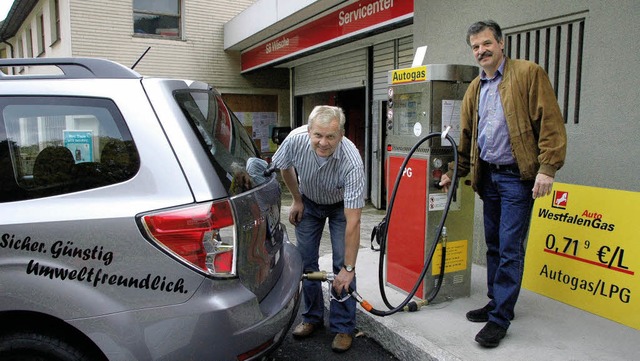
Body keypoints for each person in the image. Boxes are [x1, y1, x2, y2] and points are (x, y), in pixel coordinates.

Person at [439, 20, 567, 348]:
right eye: (475, 47)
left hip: (517, 177)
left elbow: (550, 121)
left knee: (510, 247)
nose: (481, 51)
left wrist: (547, 168)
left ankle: (501, 318)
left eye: (486, 44)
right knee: (494, 244)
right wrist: (455, 172)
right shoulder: (475, 88)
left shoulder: (527, 73)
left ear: (501, 43)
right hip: (489, 176)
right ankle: (497, 300)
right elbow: (467, 138)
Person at [271, 105, 365, 353]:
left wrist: (349, 268)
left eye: (331, 136)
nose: (323, 143)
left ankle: (344, 326)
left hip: (339, 206)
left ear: (341, 135)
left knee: (341, 265)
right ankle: (312, 318)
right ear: (309, 131)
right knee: (306, 262)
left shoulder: (352, 161)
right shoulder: (295, 140)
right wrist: (297, 199)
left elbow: (353, 220)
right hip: (309, 202)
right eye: (318, 135)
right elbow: (284, 166)